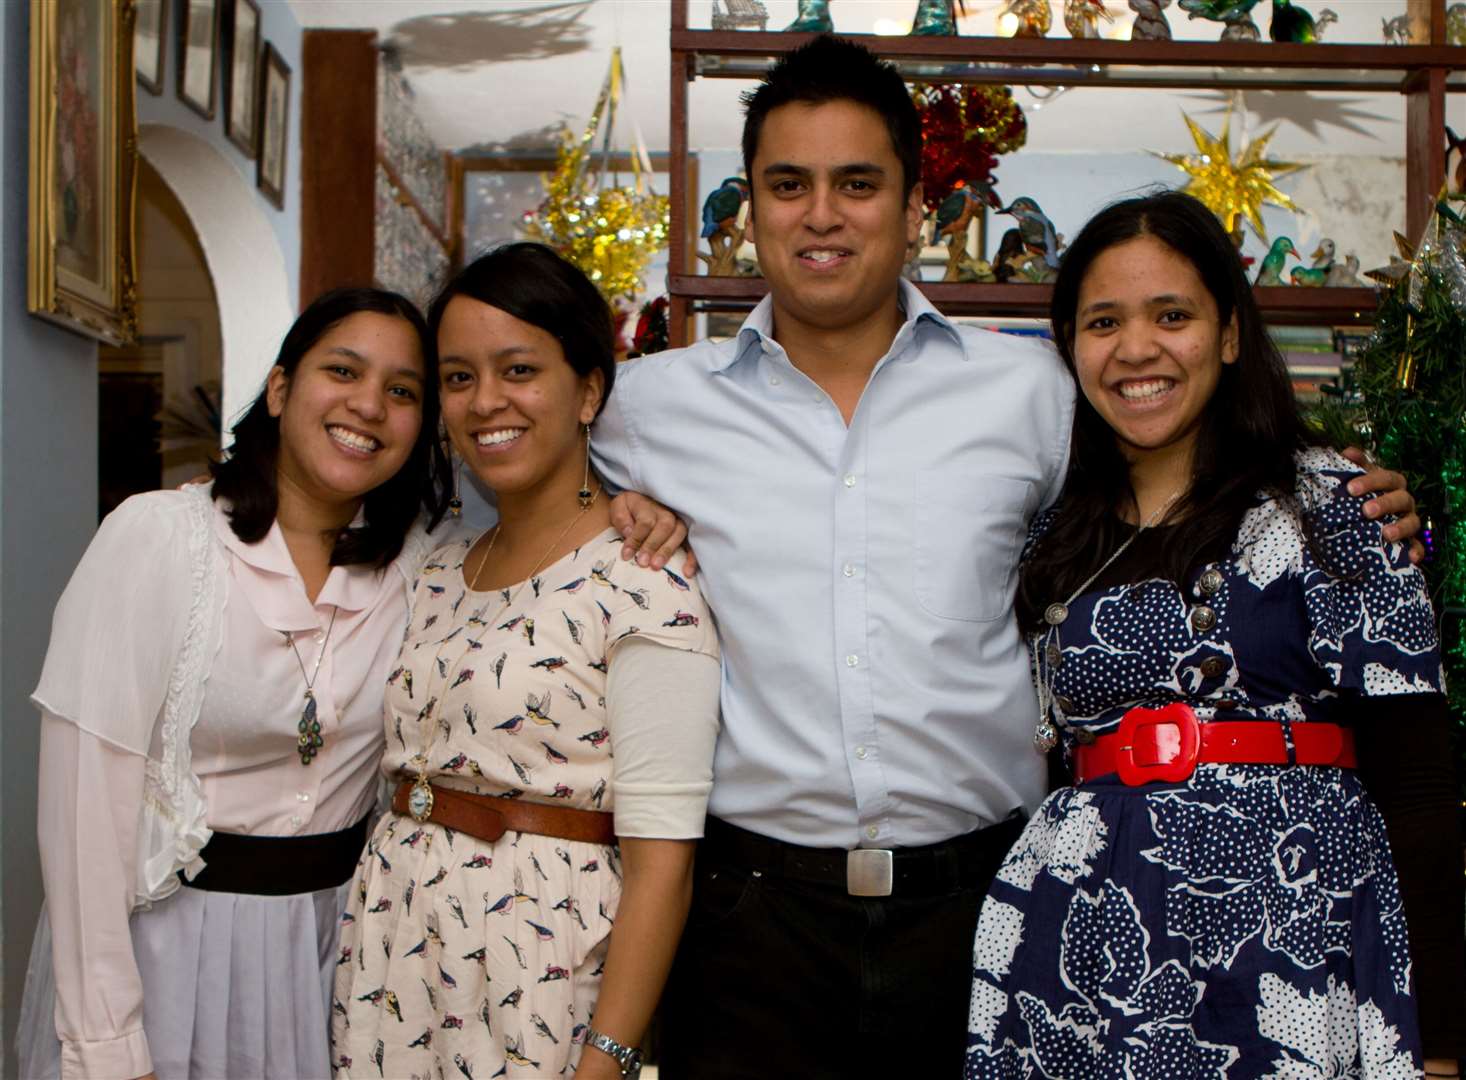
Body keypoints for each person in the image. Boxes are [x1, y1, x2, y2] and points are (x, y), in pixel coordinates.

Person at [589, 35, 1423, 1079]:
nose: (821, 214)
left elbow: (1186, 466)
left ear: (911, 206)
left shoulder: (1032, 395)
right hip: (750, 919)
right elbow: (528, 485)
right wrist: (610, 504)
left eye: (857, 182)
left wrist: (1356, 492)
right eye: (786, 184)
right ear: (747, 205)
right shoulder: (650, 406)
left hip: (986, 905)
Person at [964, 190, 1465, 1078]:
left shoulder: (1337, 510)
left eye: (1173, 315)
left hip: (1294, 939)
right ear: (1070, 347)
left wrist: (1444, 1045)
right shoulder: (1052, 540)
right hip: (1080, 952)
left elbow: (1420, 789)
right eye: (1103, 321)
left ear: (1230, 334)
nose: (1137, 349)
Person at [17, 288, 452, 1080]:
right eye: (343, 370)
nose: (370, 405)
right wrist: (107, 1044)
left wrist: (628, 505)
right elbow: (84, 816)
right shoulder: (159, 541)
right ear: (281, 389)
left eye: (403, 391)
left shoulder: (423, 565)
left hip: (335, 954)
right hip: (170, 952)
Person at [330, 243, 722, 1080]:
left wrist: (606, 1058)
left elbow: (664, 863)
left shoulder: (643, 580)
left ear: (587, 390)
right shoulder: (438, 567)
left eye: (518, 370)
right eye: (459, 378)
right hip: (391, 957)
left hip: (537, 976)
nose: (486, 402)